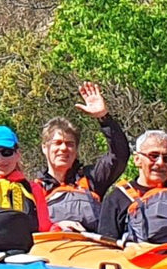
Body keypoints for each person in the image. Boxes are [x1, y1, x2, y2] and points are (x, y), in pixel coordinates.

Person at [33, 82, 129, 231]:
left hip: (90, 248)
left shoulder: (92, 178)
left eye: (70, 144)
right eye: (57, 143)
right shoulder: (35, 189)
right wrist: (56, 227)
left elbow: (119, 155)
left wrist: (104, 117)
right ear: (45, 148)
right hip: (51, 248)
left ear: (76, 150)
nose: (64, 148)